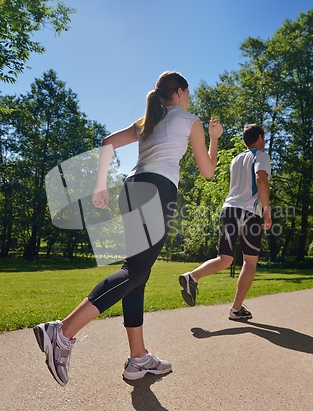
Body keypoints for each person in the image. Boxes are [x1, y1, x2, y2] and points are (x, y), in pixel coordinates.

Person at [34, 71, 223, 386]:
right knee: (135, 270)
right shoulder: (190, 120)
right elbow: (207, 170)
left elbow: (108, 142)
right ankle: (62, 332)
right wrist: (215, 138)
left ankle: (138, 358)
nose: (189, 99)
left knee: (138, 274)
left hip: (132, 188)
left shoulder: (148, 120)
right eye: (187, 93)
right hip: (158, 191)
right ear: (179, 92)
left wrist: (100, 186)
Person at [179, 123, 272, 320]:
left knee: (225, 258)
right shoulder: (261, 156)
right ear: (261, 138)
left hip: (228, 209)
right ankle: (236, 308)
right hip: (248, 214)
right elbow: (260, 178)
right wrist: (267, 211)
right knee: (250, 262)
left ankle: (192, 277)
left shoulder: (236, 159)